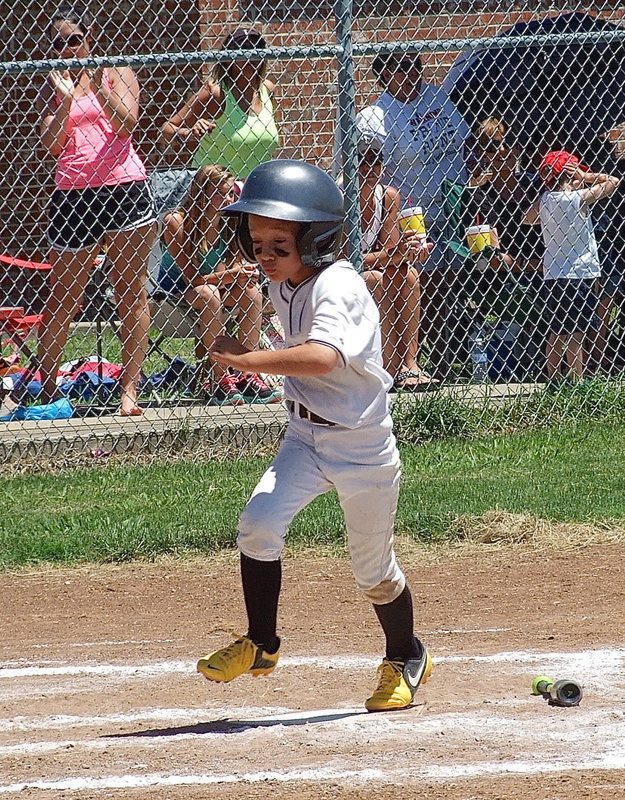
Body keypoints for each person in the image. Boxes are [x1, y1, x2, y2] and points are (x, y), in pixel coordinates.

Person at [196, 159, 431, 712]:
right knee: (257, 525)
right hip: (303, 439)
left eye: (280, 243)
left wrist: (250, 356)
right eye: (257, 243)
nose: (265, 256)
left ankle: (405, 654)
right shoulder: (287, 280)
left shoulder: (340, 284)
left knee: (372, 570)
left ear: (319, 238)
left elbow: (324, 358)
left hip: (362, 445)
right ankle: (262, 644)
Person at [35, 4, 157, 416]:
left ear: (88, 39)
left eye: (74, 39)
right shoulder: (53, 87)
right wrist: (68, 99)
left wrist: (97, 86)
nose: (68, 48)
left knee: (130, 293)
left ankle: (129, 392)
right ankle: (47, 385)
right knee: (63, 298)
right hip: (73, 194)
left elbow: (127, 123)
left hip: (124, 188)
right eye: (59, 43)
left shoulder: (116, 71)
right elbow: (51, 145)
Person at [356, 52, 470, 381]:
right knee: (424, 284)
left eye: (415, 65)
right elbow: (364, 171)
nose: (411, 73)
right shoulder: (374, 118)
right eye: (401, 68)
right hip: (410, 215)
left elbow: (463, 143)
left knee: (455, 284)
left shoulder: (436, 96)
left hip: (455, 207)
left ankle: (451, 357)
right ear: (384, 75)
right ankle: (421, 359)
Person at [159, 164, 280, 404]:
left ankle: (248, 371)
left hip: (214, 288)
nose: (230, 198)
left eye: (232, 193)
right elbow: (191, 278)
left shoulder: (230, 222)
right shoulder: (177, 222)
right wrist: (231, 275)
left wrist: (241, 275)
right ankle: (219, 376)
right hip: (175, 292)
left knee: (251, 291)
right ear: (203, 193)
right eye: (222, 192)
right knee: (209, 293)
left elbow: (228, 271)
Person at [522, 150, 620, 381]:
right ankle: (577, 381)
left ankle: (554, 378)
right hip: (580, 272)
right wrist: (585, 178)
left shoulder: (545, 200)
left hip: (554, 274)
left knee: (556, 331)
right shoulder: (579, 197)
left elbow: (527, 218)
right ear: (571, 174)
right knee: (576, 332)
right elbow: (613, 182)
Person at [356, 136, 437, 391]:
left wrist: (409, 251)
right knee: (374, 279)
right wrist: (394, 255)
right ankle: (389, 365)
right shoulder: (340, 197)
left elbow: (390, 254)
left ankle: (410, 364)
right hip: (343, 272)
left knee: (409, 274)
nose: (370, 168)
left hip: (376, 265)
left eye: (376, 161)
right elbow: (346, 260)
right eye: (363, 161)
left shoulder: (389, 196)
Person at [160, 28, 279, 180]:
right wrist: (187, 133)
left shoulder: (267, 89)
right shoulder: (216, 93)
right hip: (216, 191)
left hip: (255, 188)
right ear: (229, 56)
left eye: (257, 48)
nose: (251, 55)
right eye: (243, 49)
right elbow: (164, 131)